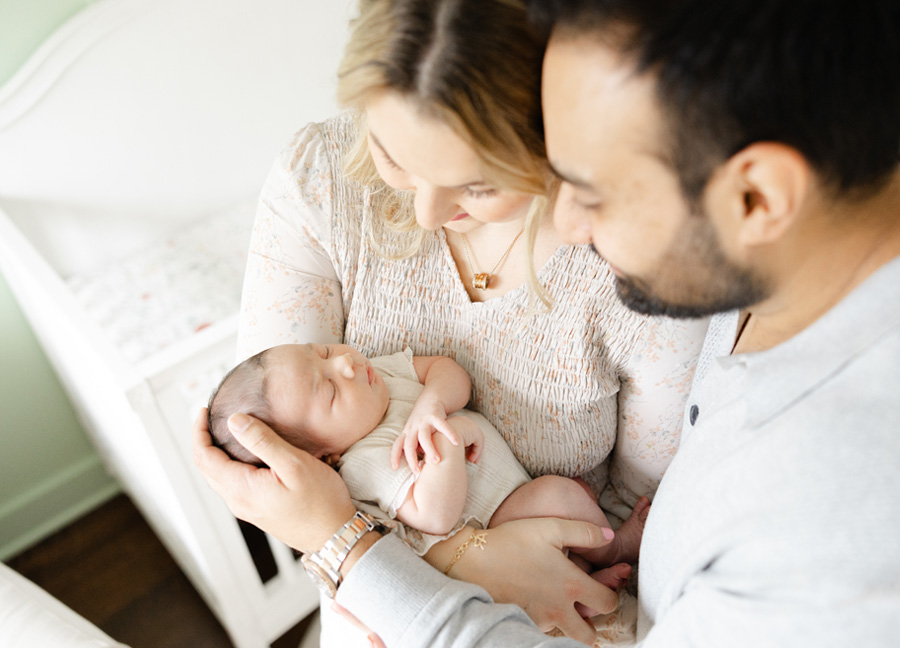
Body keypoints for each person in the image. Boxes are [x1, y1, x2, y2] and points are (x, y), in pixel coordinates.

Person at [197, 0, 900, 645]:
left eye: (584, 187)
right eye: (392, 152)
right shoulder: (750, 293)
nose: (568, 223)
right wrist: (450, 555)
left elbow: (630, 534)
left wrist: (355, 543)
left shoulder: (823, 533)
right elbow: (287, 483)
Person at [207, 343, 648, 590]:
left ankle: (588, 576)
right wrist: (447, 441)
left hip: (514, 492)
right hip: (493, 527)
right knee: (561, 496)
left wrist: (433, 401)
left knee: (573, 495)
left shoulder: (375, 376)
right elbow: (436, 516)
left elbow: (446, 368)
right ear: (324, 457)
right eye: (329, 389)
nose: (343, 362)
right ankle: (617, 548)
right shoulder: (363, 463)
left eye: (321, 352)